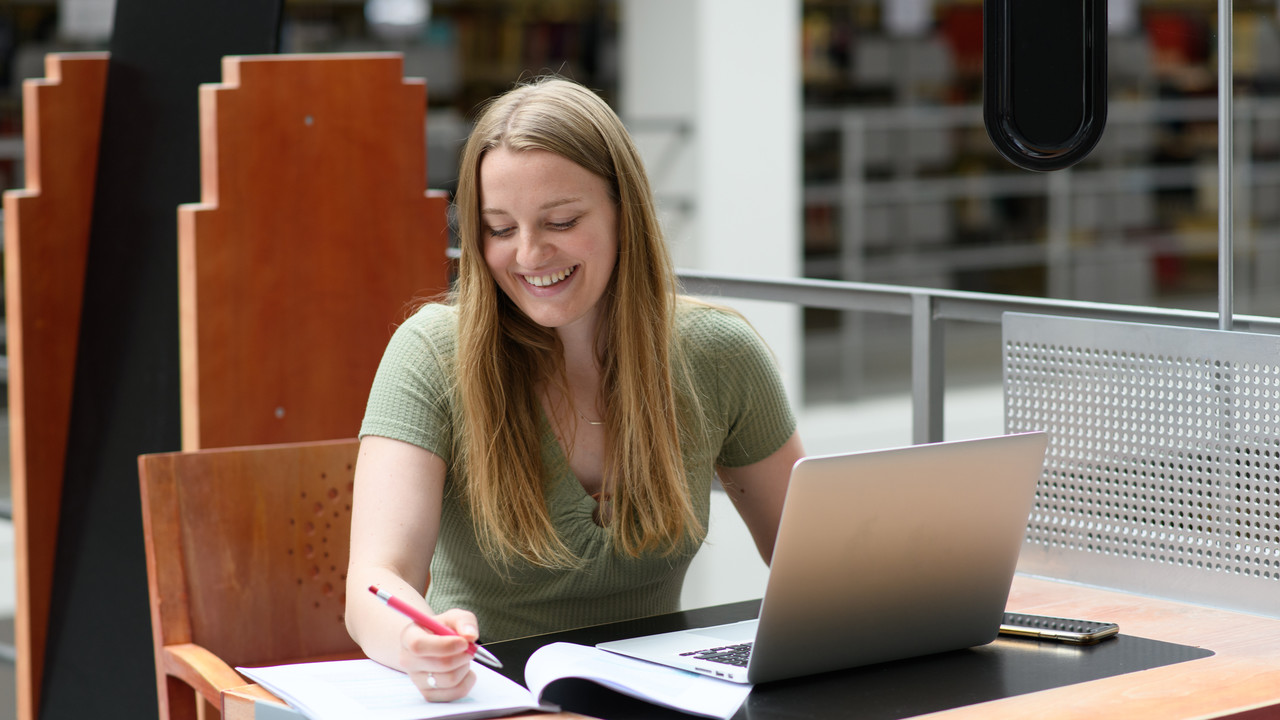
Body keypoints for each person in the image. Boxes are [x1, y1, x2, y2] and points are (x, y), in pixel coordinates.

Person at [345, 76, 805, 702]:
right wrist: (415, 643)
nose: (530, 254)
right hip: (492, 699)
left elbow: (813, 562)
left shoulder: (719, 354)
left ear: (625, 213)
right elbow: (377, 579)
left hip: (663, 698)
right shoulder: (431, 353)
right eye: (499, 229)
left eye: (560, 220)